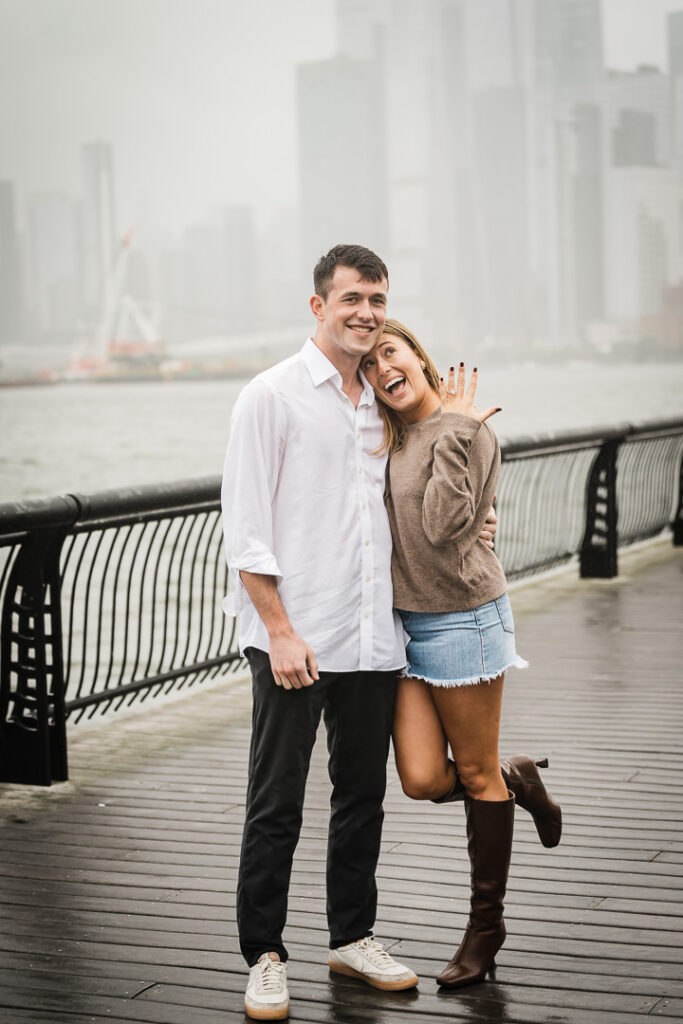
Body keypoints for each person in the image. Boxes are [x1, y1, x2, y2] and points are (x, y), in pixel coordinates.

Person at [222, 245, 420, 1020]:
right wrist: (278, 630)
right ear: (318, 306)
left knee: (361, 796)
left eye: (376, 298)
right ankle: (264, 954)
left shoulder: (383, 400)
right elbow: (246, 531)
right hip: (293, 639)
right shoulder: (268, 397)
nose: (366, 313)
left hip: (371, 634)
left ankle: (351, 936)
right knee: (276, 801)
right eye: (351, 300)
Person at [359, 319, 562, 990]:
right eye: (367, 365)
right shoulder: (385, 439)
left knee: (472, 778)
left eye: (389, 352)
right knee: (420, 777)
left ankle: (484, 929)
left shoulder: (468, 429)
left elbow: (446, 529)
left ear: (417, 357)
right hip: (403, 625)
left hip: (463, 620)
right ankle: (515, 779)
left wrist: (455, 428)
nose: (380, 368)